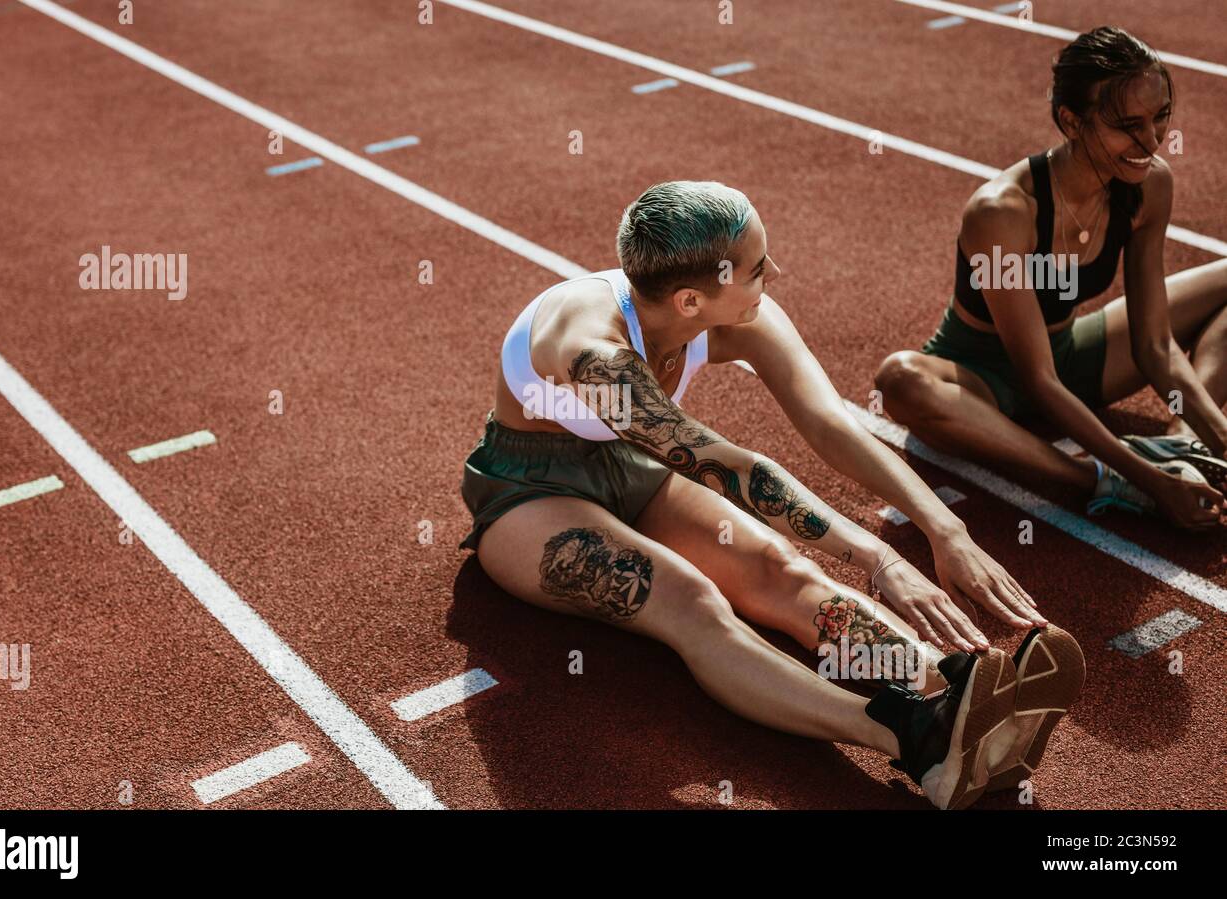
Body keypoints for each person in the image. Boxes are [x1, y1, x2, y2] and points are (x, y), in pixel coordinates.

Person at [458, 180, 1081, 808]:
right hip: (527, 491)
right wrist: (880, 559)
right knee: (692, 601)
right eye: (758, 268)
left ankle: (945, 688)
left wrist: (944, 528)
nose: (774, 273)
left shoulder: (732, 312)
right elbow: (731, 468)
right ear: (691, 299)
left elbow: (831, 424)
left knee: (778, 567)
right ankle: (918, 740)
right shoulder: (591, 349)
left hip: (632, 465)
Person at [875, 26, 1227, 528]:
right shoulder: (1002, 211)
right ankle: (1098, 478)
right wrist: (1149, 482)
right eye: (1128, 125)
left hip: (1071, 356)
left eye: (1161, 117)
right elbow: (1037, 380)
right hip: (981, 381)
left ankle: (1181, 443)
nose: (1150, 141)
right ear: (1071, 120)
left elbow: (1153, 344)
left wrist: (1218, 438)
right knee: (900, 382)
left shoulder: (1151, 184)